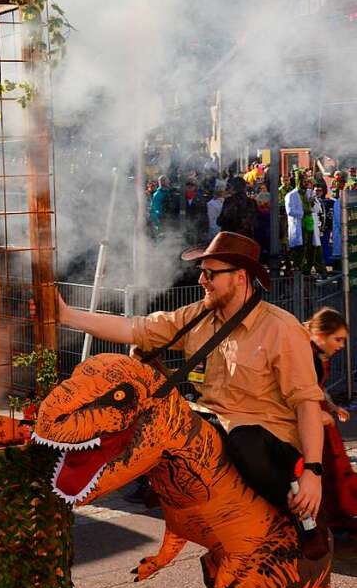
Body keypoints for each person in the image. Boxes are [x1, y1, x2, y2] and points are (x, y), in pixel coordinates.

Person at [55, 231, 326, 555]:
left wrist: (313, 473)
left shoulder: (281, 328)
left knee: (244, 441)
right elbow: (135, 329)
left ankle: (296, 521)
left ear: (240, 278)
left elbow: (307, 403)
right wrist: (68, 316)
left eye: (211, 274)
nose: (201, 280)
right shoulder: (198, 316)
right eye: (202, 272)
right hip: (214, 423)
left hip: (265, 437)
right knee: (158, 423)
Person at [306, 308, 357, 533]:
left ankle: (336, 514)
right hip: (311, 419)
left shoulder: (315, 352)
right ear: (321, 333)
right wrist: (320, 414)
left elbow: (318, 388)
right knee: (326, 468)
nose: (341, 346)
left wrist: (333, 407)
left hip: (321, 417)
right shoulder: (304, 353)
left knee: (335, 466)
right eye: (337, 339)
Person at [217, 177, 258, 241]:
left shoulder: (229, 201)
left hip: (230, 238)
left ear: (233, 188)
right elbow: (255, 222)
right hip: (247, 239)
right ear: (244, 187)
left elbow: (221, 221)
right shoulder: (252, 202)